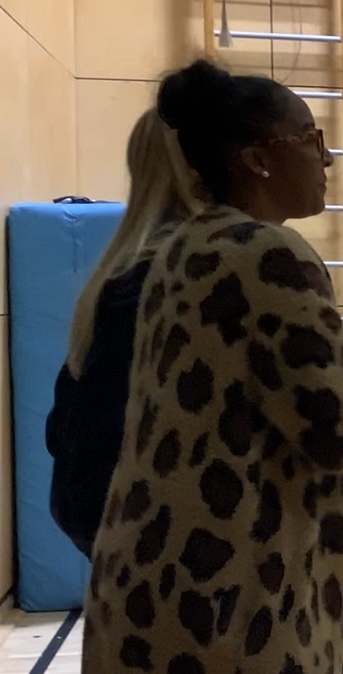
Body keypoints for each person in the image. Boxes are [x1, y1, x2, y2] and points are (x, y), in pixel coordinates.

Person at [79, 59, 343, 674]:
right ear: (257, 160)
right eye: (310, 139)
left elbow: (252, 396)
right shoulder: (269, 254)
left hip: (156, 589)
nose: (326, 158)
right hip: (224, 605)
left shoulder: (184, 249)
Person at [46, 107, 203, 556]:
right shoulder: (175, 280)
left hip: (131, 534)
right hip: (161, 541)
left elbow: (65, 427)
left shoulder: (122, 275)